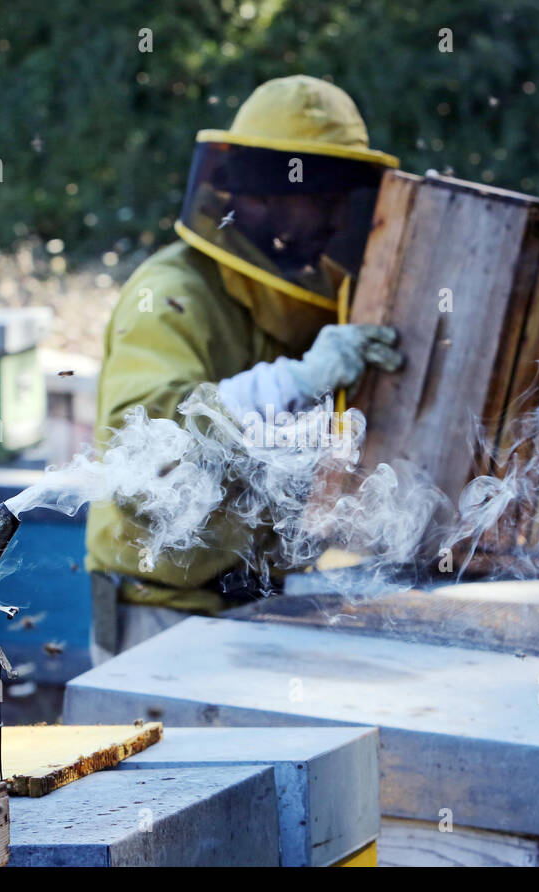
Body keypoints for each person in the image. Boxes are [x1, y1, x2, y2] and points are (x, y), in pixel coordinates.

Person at [85, 75, 403, 663]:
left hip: (261, 602)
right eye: (325, 198)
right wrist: (294, 383)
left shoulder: (313, 293)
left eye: (345, 199)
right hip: (162, 614)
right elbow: (142, 452)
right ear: (266, 190)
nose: (338, 219)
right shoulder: (170, 295)